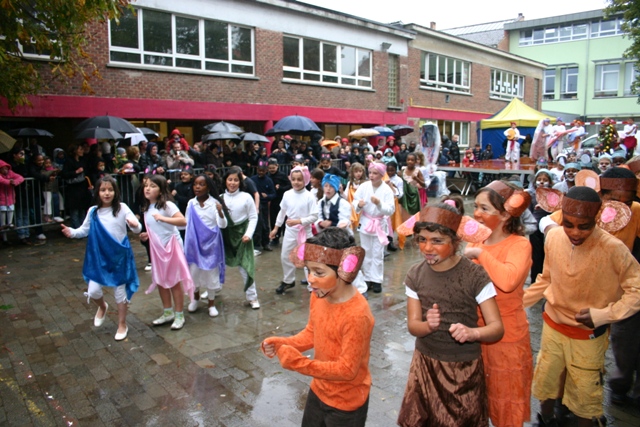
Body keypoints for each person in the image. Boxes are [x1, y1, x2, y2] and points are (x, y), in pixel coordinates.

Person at [524, 186, 640, 426]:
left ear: (597, 218)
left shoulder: (613, 247)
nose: (575, 232)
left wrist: (605, 314)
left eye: (584, 226)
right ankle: (545, 420)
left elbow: (636, 289)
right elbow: (546, 278)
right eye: (569, 224)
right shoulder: (554, 236)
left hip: (588, 336)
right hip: (552, 328)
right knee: (546, 381)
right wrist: (517, 304)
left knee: (585, 395)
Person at [396, 202, 504, 426]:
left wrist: (472, 333)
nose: (427, 248)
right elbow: (413, 325)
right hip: (424, 365)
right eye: (422, 240)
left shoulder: (475, 276)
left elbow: (496, 329)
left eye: (437, 241)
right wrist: (428, 326)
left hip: (462, 371)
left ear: (456, 241)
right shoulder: (415, 275)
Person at [261, 227, 373, 426]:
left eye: (319, 272)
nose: (311, 279)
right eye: (309, 270)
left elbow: (347, 370)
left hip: (346, 404)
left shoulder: (357, 315)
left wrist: (298, 363)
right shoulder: (319, 294)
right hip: (319, 390)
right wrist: (283, 343)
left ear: (345, 269)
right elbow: (313, 333)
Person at [464, 180, 533, 427]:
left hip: (507, 341)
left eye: (485, 209)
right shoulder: (476, 240)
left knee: (506, 409)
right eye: (476, 207)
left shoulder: (520, 244)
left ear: (504, 215)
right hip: (475, 336)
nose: (477, 214)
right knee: (477, 404)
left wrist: (481, 255)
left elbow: (507, 280)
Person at [61, 176, 141, 341]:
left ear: (115, 192)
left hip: (119, 258)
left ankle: (122, 324)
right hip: (99, 258)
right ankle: (102, 306)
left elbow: (137, 229)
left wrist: (135, 225)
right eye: (103, 190)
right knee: (93, 291)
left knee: (120, 293)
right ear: (97, 192)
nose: (107, 193)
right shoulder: (93, 211)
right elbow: (83, 230)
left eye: (110, 190)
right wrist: (71, 232)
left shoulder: (122, 208)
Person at [140, 174, 194, 330]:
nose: (148, 189)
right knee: (161, 281)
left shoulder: (167, 206)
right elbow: (154, 227)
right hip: (157, 249)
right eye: (146, 185)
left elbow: (182, 221)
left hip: (172, 247)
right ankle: (167, 311)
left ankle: (179, 315)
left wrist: (163, 219)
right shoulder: (147, 207)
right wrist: (146, 235)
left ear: (161, 190)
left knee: (174, 281)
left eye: (153, 186)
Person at [270, 166, 318, 294]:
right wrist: (275, 228)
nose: (296, 182)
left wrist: (299, 221)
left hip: (305, 231)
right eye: (294, 179)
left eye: (299, 180)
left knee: (307, 259)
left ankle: (312, 284)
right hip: (290, 231)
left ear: (305, 180)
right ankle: (288, 280)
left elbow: (314, 216)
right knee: (285, 255)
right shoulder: (287, 194)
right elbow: (282, 212)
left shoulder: (309, 196)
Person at [185, 174, 227, 318]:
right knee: (194, 272)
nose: (197, 187)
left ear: (208, 187)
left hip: (211, 244)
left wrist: (221, 212)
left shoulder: (214, 203)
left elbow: (223, 225)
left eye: (201, 184)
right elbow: (187, 223)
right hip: (195, 244)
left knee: (211, 274)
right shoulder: (191, 203)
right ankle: (195, 299)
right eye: (195, 184)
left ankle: (211, 304)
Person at [221, 167, 261, 309]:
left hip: (243, 237)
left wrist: (248, 234)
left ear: (240, 181)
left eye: (236, 180)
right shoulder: (220, 199)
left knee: (245, 267)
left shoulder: (246, 197)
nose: (232, 183)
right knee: (219, 265)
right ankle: (214, 290)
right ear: (225, 180)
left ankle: (252, 297)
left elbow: (253, 217)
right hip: (225, 236)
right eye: (230, 179)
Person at [352, 162, 395, 293]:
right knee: (366, 251)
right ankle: (367, 278)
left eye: (375, 173)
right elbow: (354, 200)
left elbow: (390, 210)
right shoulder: (364, 186)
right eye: (370, 172)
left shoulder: (387, 190)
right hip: (366, 222)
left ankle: (377, 280)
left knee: (377, 253)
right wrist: (358, 204)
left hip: (379, 224)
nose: (371, 175)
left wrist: (379, 204)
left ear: (381, 175)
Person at [527, 169, 555, 283]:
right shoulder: (531, 195)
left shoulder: (553, 195)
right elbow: (528, 213)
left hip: (548, 229)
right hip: (535, 230)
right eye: (539, 180)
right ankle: (535, 280)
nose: (542, 182)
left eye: (545, 180)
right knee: (536, 255)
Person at [250, 160, 276, 252]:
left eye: (263, 170)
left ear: (266, 171)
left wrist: (268, 196)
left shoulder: (269, 180)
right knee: (256, 225)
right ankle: (256, 245)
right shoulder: (252, 179)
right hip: (254, 205)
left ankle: (266, 243)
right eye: (259, 170)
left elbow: (274, 194)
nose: (261, 172)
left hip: (264, 205)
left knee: (265, 225)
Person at [267, 158, 291, 246]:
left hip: (282, 200)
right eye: (270, 168)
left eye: (273, 168)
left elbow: (289, 185)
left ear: (277, 166)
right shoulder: (268, 176)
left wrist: (280, 188)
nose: (272, 170)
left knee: (284, 219)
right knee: (273, 220)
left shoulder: (282, 175)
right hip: (273, 201)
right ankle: (275, 238)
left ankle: (285, 237)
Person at [0, 159, 24, 243]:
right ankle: (4, 236)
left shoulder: (10, 173)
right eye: (3, 168)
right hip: (1, 198)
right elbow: (1, 180)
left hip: (10, 197)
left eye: (6, 168)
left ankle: (10, 223)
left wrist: (15, 182)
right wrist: (9, 182)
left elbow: (20, 178)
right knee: (3, 213)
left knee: (11, 210)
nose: (5, 170)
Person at [345, 162, 367, 231]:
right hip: (352, 208)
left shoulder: (365, 183)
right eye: (356, 171)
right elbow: (346, 196)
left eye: (360, 171)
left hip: (361, 208)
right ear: (352, 173)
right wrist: (342, 192)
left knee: (361, 226)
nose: (358, 173)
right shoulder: (350, 183)